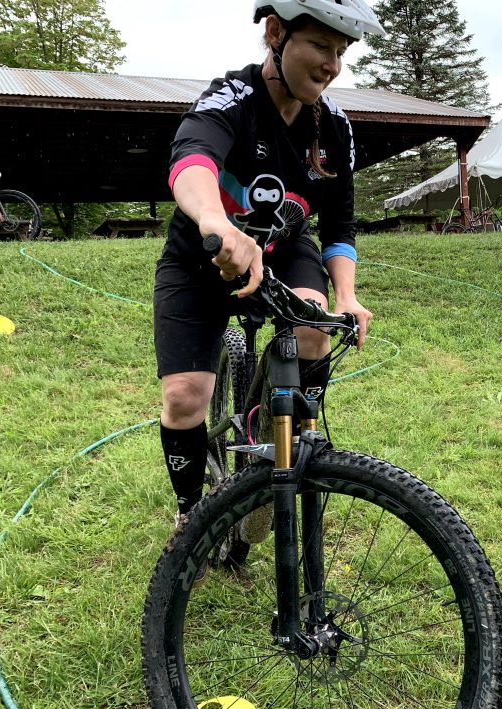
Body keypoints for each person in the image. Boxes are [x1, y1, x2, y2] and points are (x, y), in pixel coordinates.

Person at [154, 0, 383, 540]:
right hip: (199, 261)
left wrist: (346, 294)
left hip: (283, 251)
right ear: (276, 34)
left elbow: (341, 224)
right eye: (322, 47)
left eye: (341, 52)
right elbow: (191, 158)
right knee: (185, 396)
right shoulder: (232, 96)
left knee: (314, 326)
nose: (333, 65)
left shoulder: (335, 128)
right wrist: (216, 219)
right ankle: (193, 510)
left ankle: (280, 443)